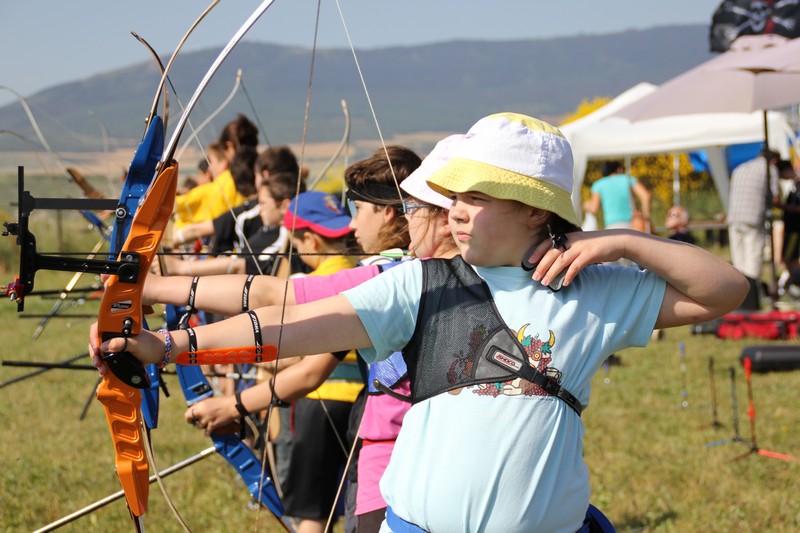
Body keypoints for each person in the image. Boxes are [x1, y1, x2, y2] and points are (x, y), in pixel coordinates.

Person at [93, 113, 748, 532]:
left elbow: (727, 289)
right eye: (453, 197)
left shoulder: (587, 290)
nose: (456, 211)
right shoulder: (419, 281)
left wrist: (624, 244)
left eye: (477, 197)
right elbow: (294, 323)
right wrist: (168, 343)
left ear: (533, 211)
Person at [727, 148, 781, 310]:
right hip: (753, 219)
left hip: (734, 219)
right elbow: (776, 198)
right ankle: (751, 306)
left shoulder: (740, 168)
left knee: (739, 264)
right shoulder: (769, 169)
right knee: (752, 265)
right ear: (774, 161)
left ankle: (738, 304)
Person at [585, 160, 651, 231]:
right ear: (618, 169)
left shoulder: (598, 184)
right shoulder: (628, 179)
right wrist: (646, 217)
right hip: (631, 225)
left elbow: (594, 209)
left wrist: (586, 205)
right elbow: (645, 196)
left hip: (611, 226)